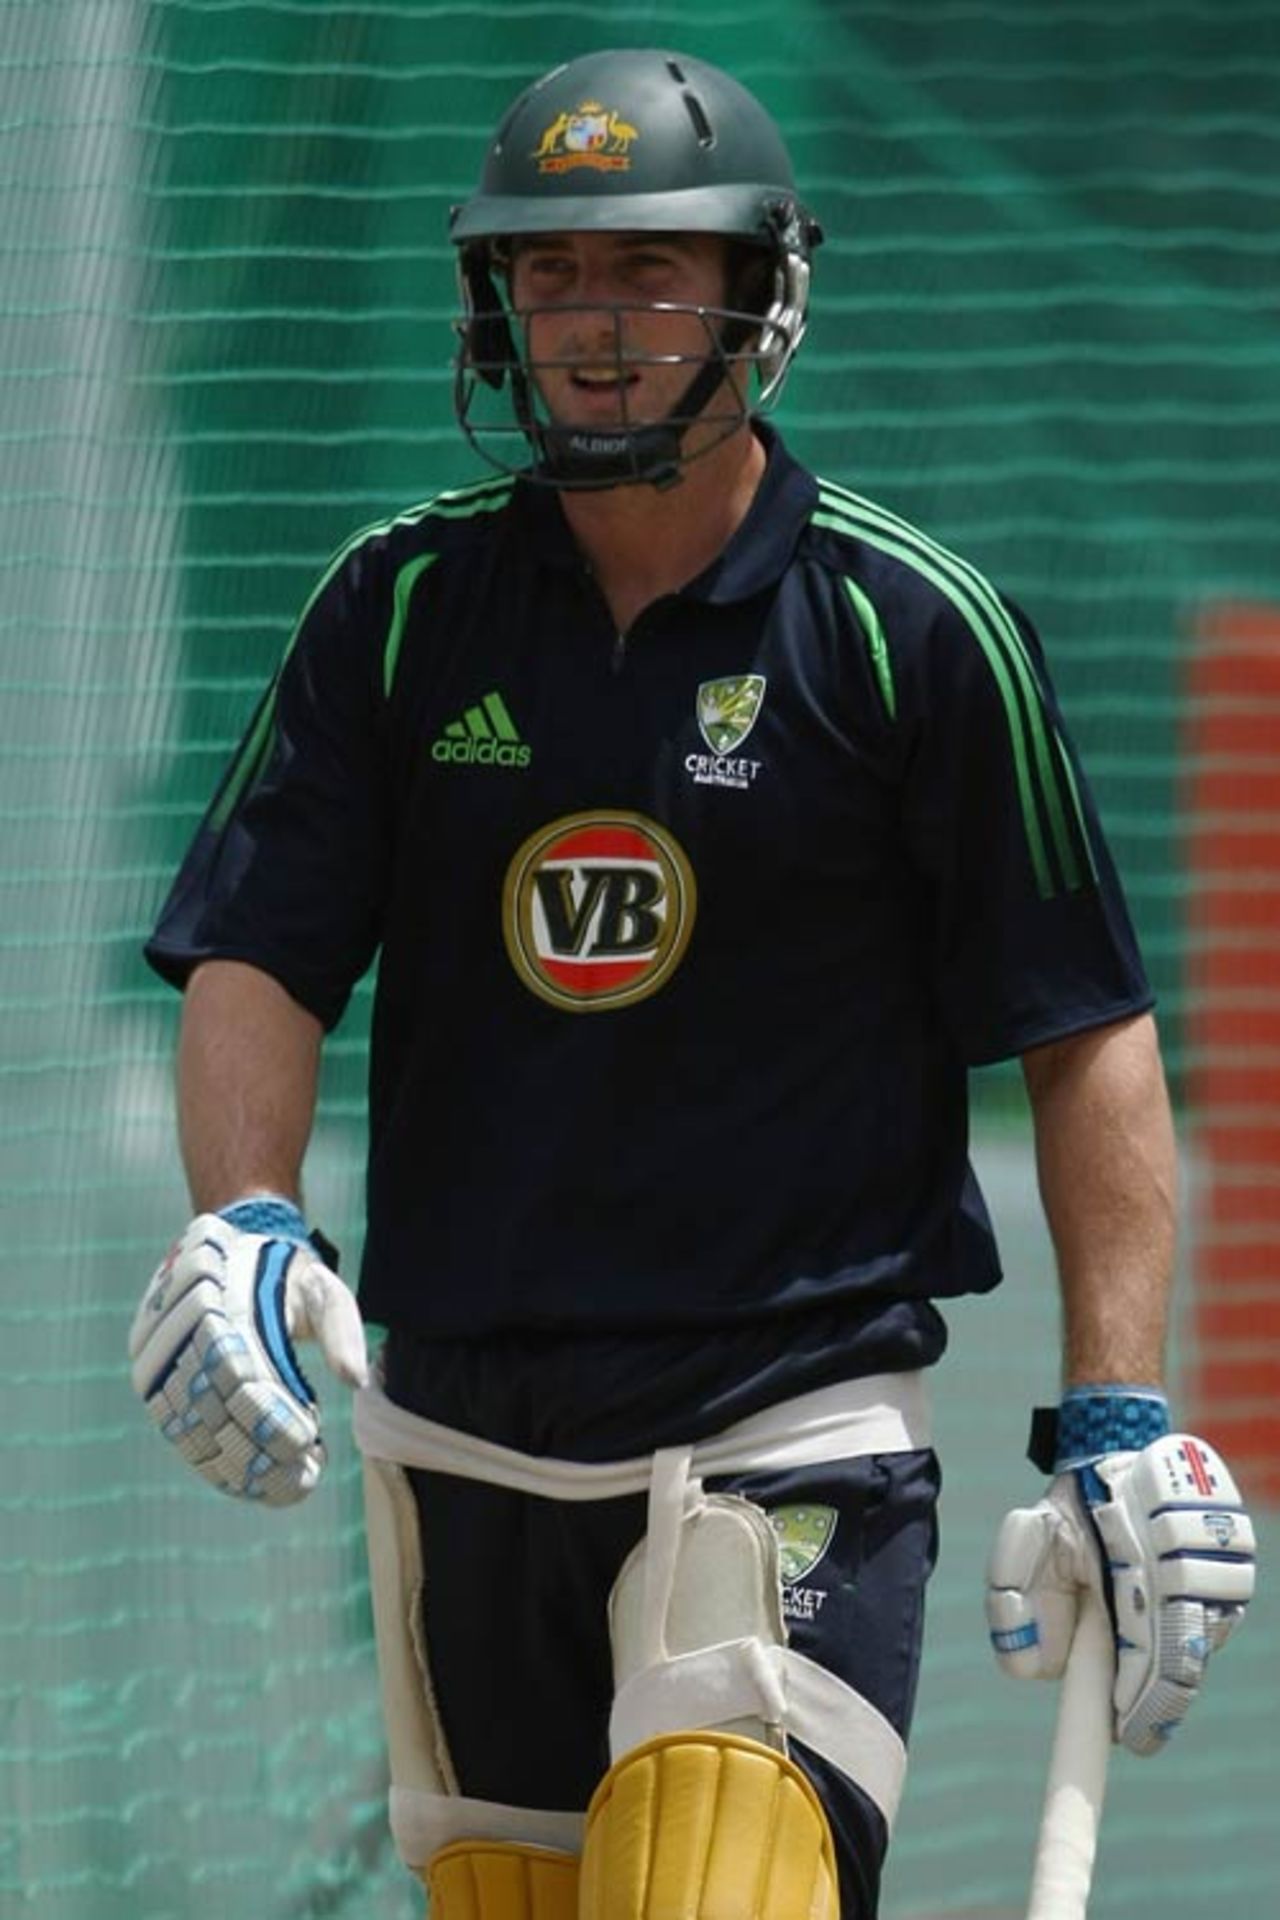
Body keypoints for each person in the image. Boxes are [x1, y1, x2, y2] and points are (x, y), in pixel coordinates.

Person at [128, 47, 1256, 1920]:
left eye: (649, 271)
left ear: (760, 295)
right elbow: (259, 950)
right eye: (548, 274)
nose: (590, 321)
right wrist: (242, 1212)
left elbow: (1087, 1038)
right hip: (459, 1427)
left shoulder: (917, 633)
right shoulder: (395, 609)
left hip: (784, 1426)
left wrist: (1118, 1413)